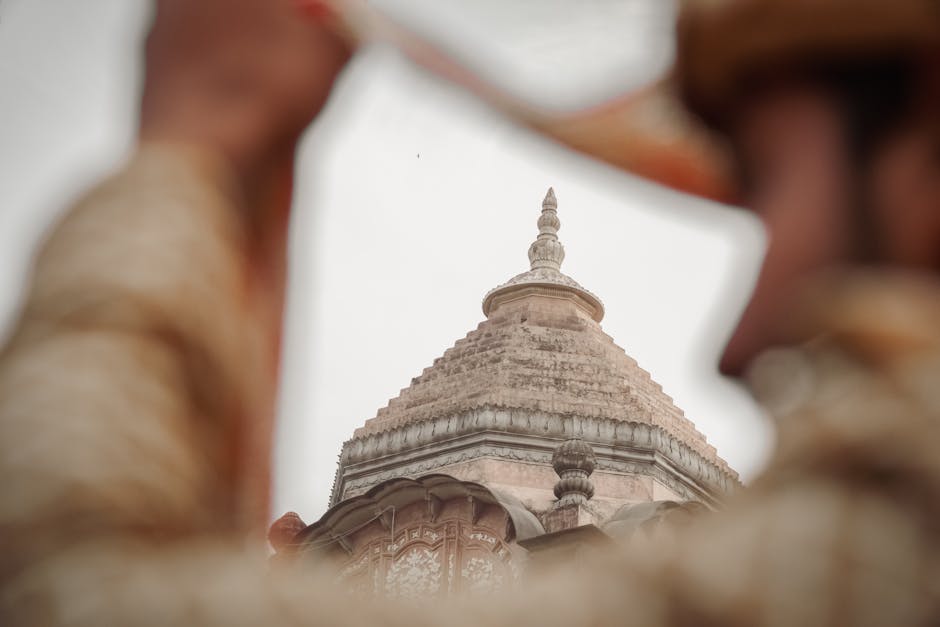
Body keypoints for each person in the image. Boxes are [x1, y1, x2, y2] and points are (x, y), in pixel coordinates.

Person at [2, 0, 940, 625]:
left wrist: (190, 148)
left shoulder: (900, 518)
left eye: (775, 183)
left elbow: (67, 595)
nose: (743, 341)